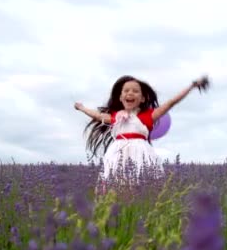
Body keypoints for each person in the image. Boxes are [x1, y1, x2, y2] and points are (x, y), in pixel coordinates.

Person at [74, 74, 210, 191]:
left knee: (143, 183)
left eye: (135, 91)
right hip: (117, 154)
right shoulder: (116, 117)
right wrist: (82, 108)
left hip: (141, 153)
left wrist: (191, 87)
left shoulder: (148, 116)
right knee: (115, 183)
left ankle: (141, 205)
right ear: (121, 98)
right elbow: (97, 115)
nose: (130, 93)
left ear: (143, 98)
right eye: (126, 90)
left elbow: (171, 102)